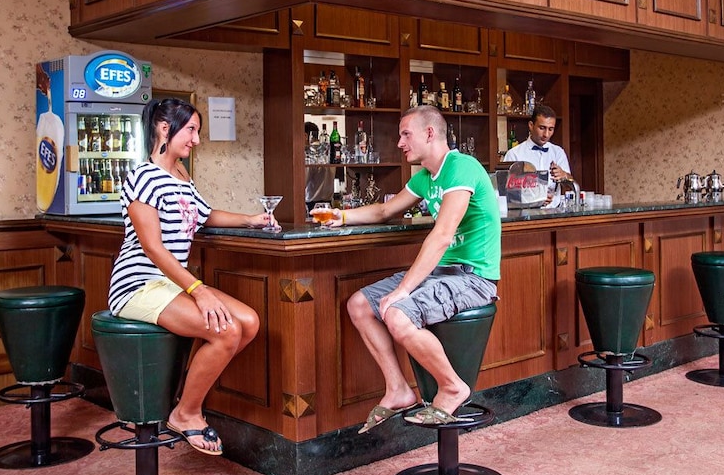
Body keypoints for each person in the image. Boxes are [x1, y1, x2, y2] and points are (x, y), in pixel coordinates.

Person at [313, 105, 501, 430]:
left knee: (397, 313)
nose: (400, 143)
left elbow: (442, 236)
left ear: (429, 133)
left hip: (473, 278)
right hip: (443, 274)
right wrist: (340, 215)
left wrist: (403, 291)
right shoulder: (426, 178)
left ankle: (452, 387)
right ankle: (398, 389)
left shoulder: (462, 167)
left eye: (405, 134)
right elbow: (384, 211)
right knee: (359, 305)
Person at [108, 97, 273, 455]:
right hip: (138, 285)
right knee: (226, 330)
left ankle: (185, 392)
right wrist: (199, 290)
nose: (196, 140)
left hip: (171, 284)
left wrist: (249, 219)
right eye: (192, 130)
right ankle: (185, 413)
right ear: (165, 128)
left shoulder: (181, 175)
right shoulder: (143, 177)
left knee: (248, 322)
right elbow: (153, 248)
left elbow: (204, 214)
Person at [502, 104, 571, 208]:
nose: (546, 134)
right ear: (531, 125)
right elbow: (506, 193)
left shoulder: (558, 152)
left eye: (550, 129)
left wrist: (564, 175)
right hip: (525, 214)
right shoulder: (514, 154)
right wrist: (534, 199)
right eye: (542, 128)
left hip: (554, 212)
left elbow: (570, 183)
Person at [304, 121, 335, 209]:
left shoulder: (309, 154)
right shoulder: (328, 151)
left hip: (313, 205)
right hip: (329, 204)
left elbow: (302, 183)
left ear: (305, 136)